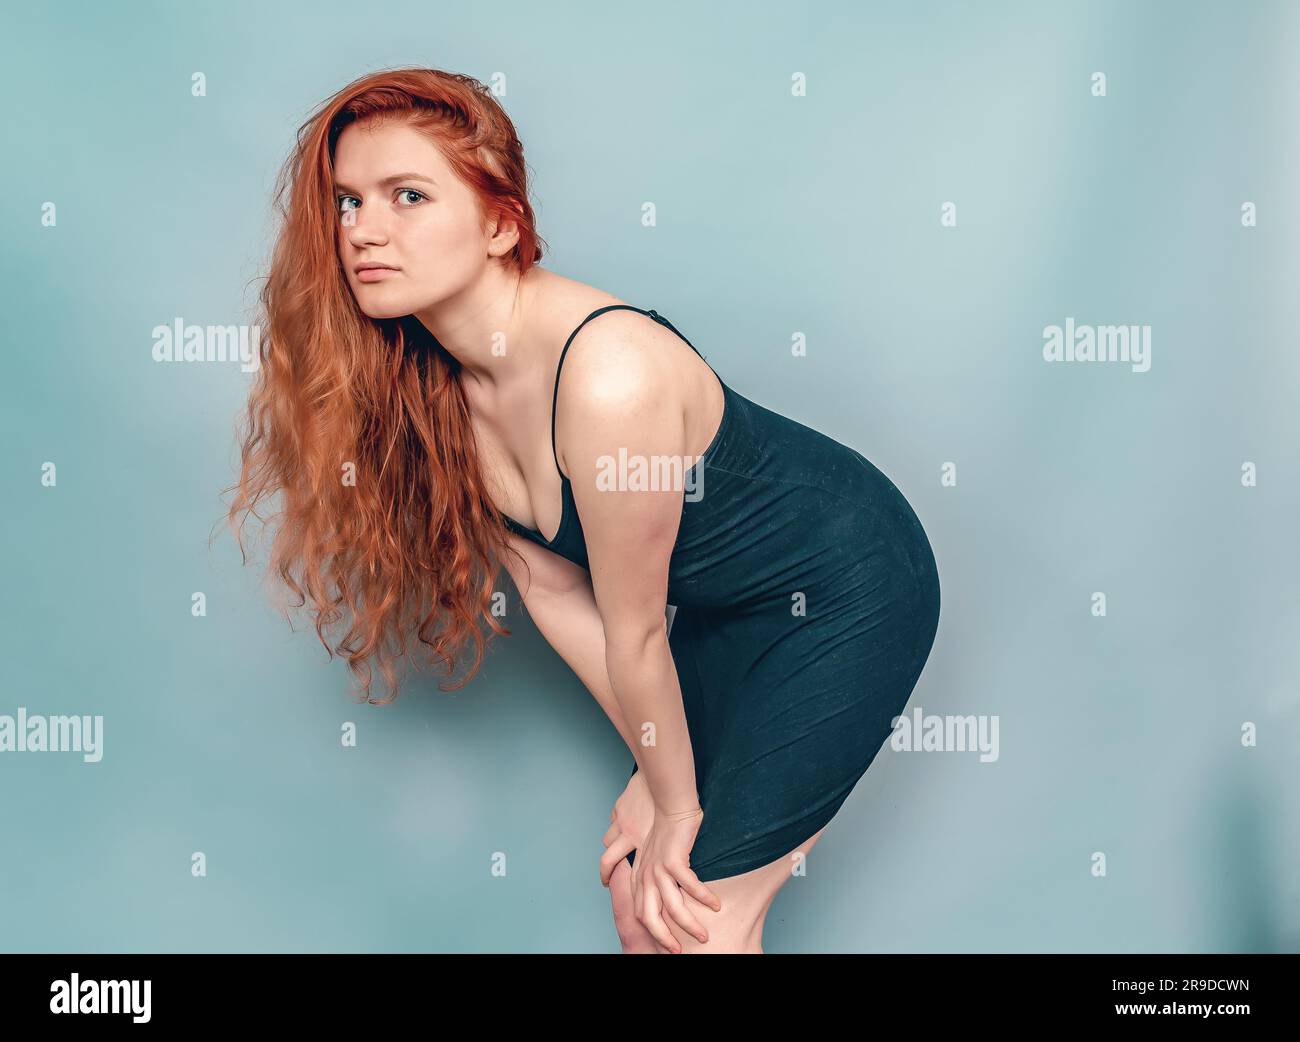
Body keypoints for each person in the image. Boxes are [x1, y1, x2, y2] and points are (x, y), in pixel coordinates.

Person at [226, 67, 940, 954]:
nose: (365, 230)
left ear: (500, 223)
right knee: (644, 916)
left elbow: (636, 629)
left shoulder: (607, 377)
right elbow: (562, 594)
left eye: (407, 195)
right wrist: (656, 762)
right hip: (720, 620)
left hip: (849, 589)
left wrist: (677, 799)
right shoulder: (440, 399)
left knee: (701, 928)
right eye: (347, 202)